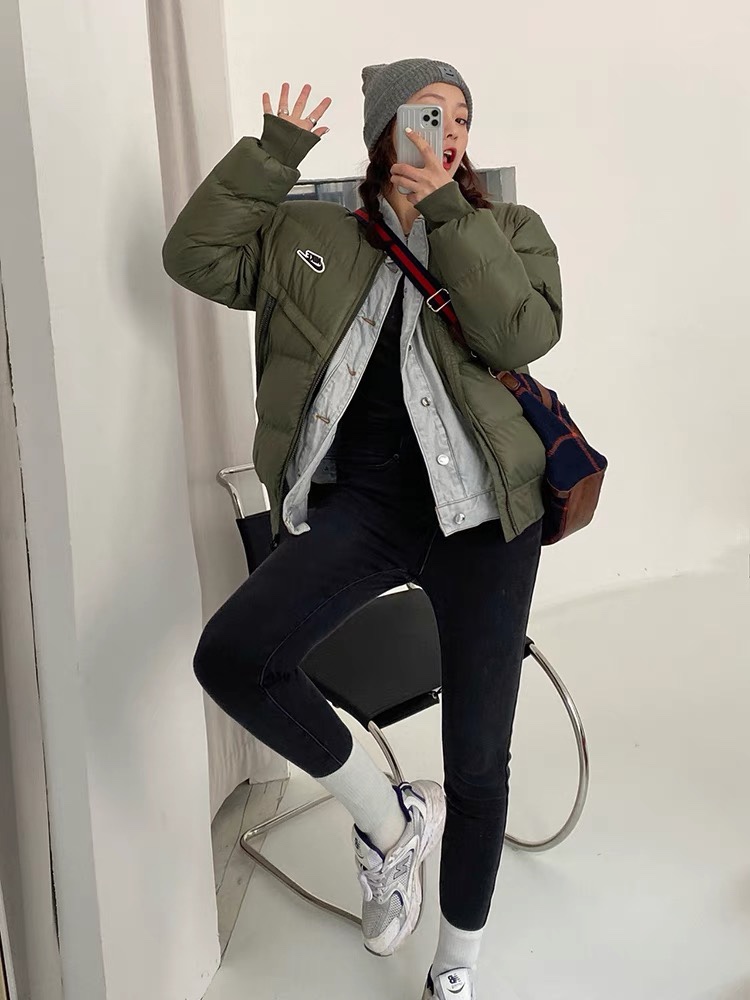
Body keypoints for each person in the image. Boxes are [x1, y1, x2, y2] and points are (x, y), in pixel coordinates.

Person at [162, 58, 562, 1000]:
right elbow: (195, 259)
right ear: (387, 127)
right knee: (235, 657)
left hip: (485, 517)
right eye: (429, 113)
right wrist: (271, 156)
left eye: (462, 118)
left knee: (478, 759)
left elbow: (521, 337)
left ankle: (456, 965)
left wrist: (450, 217)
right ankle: (389, 822)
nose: (449, 132)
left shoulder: (508, 228)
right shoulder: (312, 233)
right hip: (365, 508)